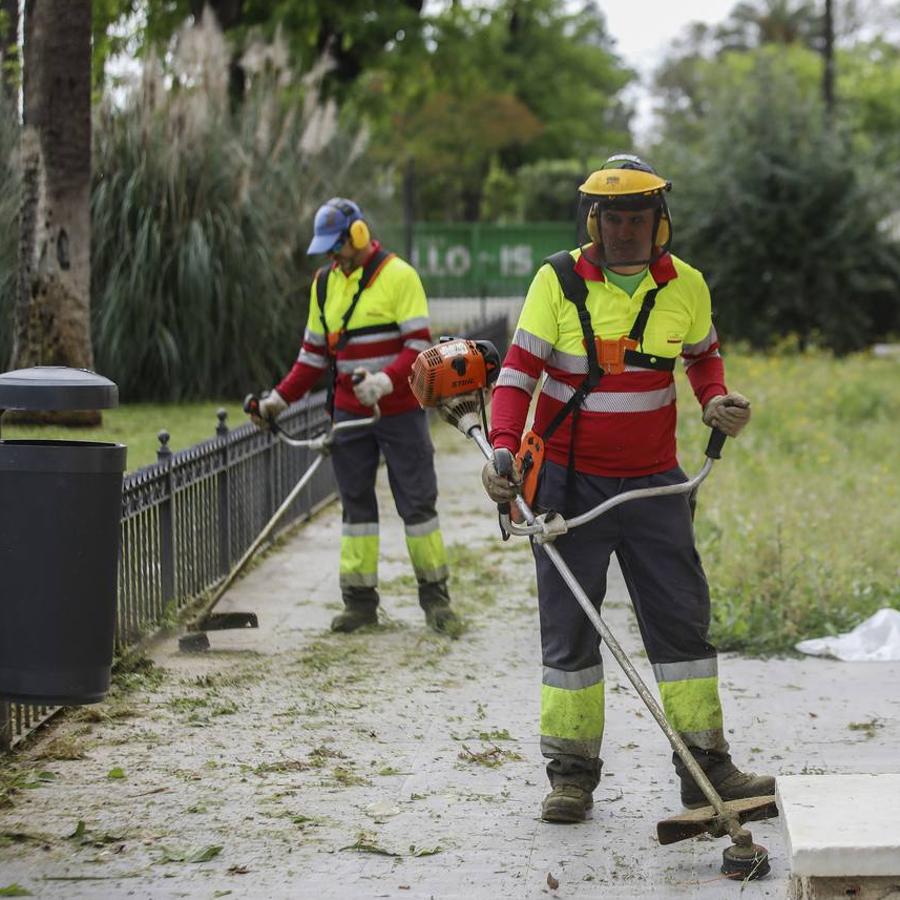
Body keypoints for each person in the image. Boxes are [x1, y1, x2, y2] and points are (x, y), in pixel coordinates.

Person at [481, 154, 774, 823]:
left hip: (654, 489)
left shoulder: (686, 285)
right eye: (614, 217)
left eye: (638, 217)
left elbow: (703, 357)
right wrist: (503, 448)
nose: (625, 230)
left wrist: (716, 399)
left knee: (681, 626)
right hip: (566, 487)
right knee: (570, 635)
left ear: (658, 221)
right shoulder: (555, 283)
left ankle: (707, 769)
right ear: (595, 219)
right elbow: (518, 375)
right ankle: (572, 775)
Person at [251, 197, 458, 635]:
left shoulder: (400, 276)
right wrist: (277, 401)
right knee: (356, 507)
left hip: (399, 410)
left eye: (337, 245)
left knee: (418, 505)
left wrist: (383, 382)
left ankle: (436, 600)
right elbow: (312, 356)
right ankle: (360, 603)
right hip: (348, 413)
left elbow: (418, 348)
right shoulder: (324, 284)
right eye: (326, 248)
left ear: (359, 234)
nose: (332, 255)